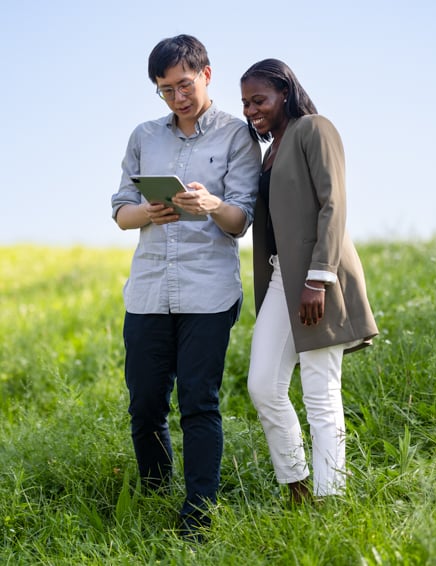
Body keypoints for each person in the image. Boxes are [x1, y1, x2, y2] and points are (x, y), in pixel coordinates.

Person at [111, 34, 261, 538]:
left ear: (207, 75)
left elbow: (241, 219)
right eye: (165, 90)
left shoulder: (237, 137)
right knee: (146, 402)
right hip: (149, 290)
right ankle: (155, 493)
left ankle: (199, 511)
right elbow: (120, 211)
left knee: (199, 399)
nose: (177, 98)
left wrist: (212, 205)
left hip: (208, 291)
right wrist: (146, 213)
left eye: (184, 84)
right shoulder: (144, 137)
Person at [240, 59, 378, 503]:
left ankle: (331, 498)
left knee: (320, 392)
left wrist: (318, 279)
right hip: (283, 277)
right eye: (245, 103)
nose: (251, 110)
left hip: (321, 277)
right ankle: (297, 485)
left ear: (284, 91)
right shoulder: (270, 150)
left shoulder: (314, 128)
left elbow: (333, 204)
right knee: (263, 384)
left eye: (258, 100)